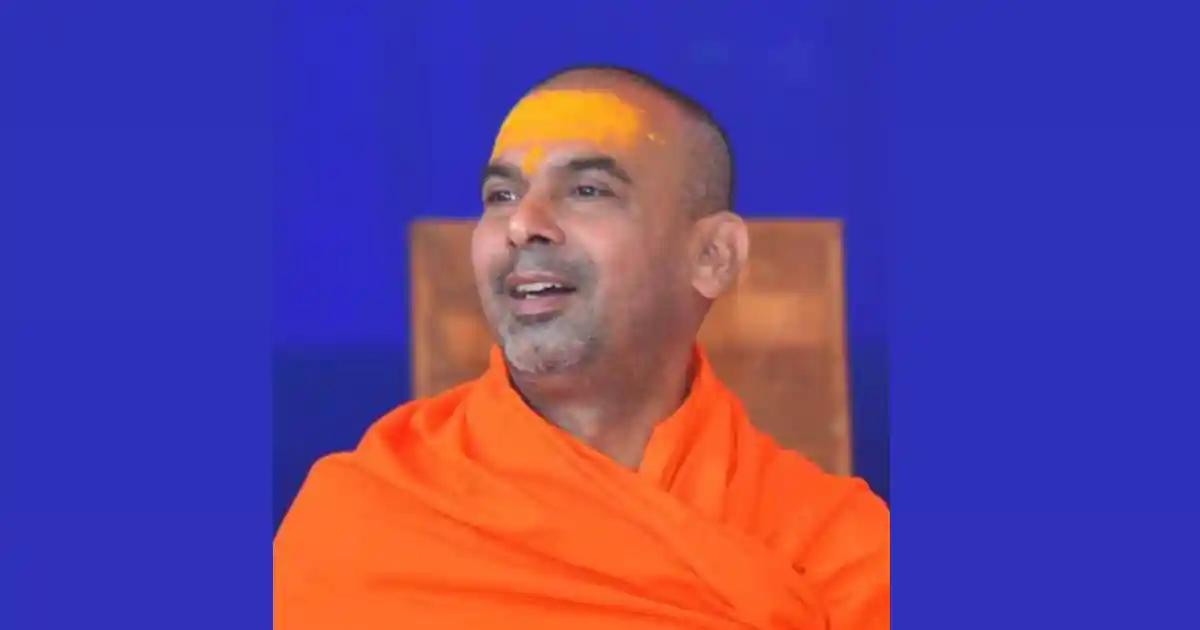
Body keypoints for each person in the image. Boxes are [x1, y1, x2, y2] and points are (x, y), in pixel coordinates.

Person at [273, 65, 890, 629]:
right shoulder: (363, 519)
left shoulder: (837, 551)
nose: (523, 224)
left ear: (712, 256)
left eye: (588, 190)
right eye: (501, 196)